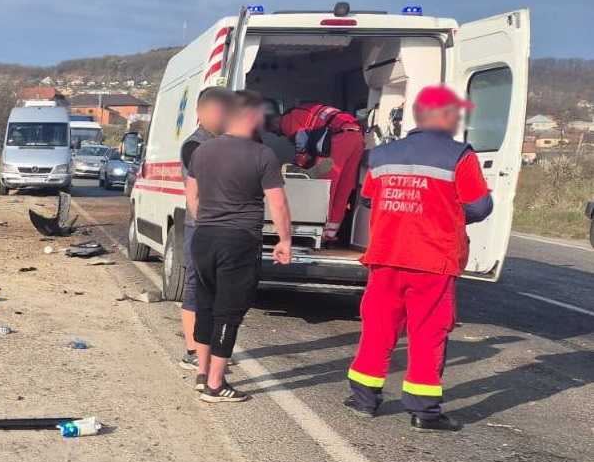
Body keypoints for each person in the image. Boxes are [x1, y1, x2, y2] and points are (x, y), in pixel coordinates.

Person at [346, 85, 493, 431]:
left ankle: (364, 399)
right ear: (443, 116)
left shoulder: (382, 155)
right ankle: (424, 411)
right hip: (433, 260)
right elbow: (479, 206)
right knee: (428, 333)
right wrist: (442, 211)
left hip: (386, 256)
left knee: (377, 328)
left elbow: (369, 199)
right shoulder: (460, 156)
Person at [186, 91, 293, 402]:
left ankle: (202, 373)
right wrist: (284, 240)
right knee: (229, 312)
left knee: (205, 306)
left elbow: (192, 196)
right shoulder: (262, 155)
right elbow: (279, 204)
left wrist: (207, 219)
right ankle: (216, 385)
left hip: (205, 237)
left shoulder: (202, 152)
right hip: (239, 239)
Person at [178, 87, 234, 373]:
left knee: (215, 290)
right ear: (200, 113)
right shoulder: (195, 145)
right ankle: (191, 350)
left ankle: (208, 347)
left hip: (220, 226)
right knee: (195, 287)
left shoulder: (224, 142)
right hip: (200, 227)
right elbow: (200, 190)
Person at [264, 101, 366, 244]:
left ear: (276, 119)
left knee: (326, 187)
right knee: (344, 188)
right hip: (357, 137)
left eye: (274, 130)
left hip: (338, 139)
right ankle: (331, 233)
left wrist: (299, 167)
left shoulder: (287, 119)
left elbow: (301, 141)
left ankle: (322, 232)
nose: (279, 134)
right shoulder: (303, 111)